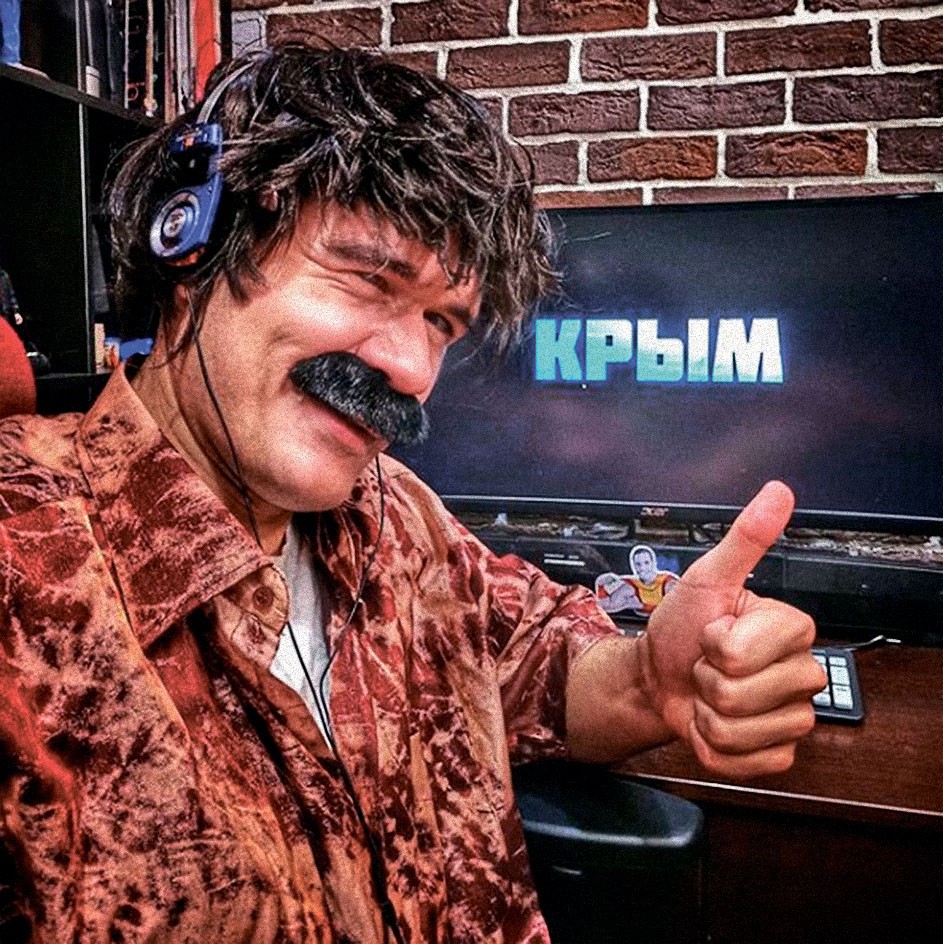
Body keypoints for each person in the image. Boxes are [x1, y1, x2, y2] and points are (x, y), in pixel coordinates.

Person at [0, 45, 825, 944]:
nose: (411, 368)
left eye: (439, 322)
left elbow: (529, 660)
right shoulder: (22, 574)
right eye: (367, 278)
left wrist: (648, 677)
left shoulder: (392, 510)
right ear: (188, 241)